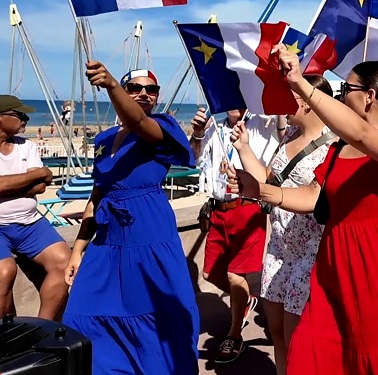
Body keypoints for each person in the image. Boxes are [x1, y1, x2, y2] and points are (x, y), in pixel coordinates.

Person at [229, 50, 378, 375]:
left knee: (376, 353)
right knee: (313, 347)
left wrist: (300, 84)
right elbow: (313, 196)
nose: (342, 95)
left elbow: (362, 134)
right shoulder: (336, 149)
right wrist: (259, 190)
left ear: (370, 96)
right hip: (331, 263)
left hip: (375, 264)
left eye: (347, 89)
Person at [63, 66, 199, 375]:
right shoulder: (104, 139)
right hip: (108, 239)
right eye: (135, 88)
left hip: (149, 234)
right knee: (83, 311)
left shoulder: (161, 126)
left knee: (157, 316)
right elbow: (97, 194)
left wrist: (112, 84)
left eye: (151, 89)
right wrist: (78, 249)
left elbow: (138, 122)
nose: (144, 94)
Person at [231, 75, 335, 375]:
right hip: (279, 249)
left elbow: (314, 197)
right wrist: (244, 148)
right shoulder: (289, 134)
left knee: (296, 338)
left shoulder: (333, 145)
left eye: (289, 98)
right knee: (277, 332)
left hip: (311, 253)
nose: (279, 105)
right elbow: (269, 179)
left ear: (308, 101)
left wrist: (263, 192)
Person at [190, 106, 276, 364]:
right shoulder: (214, 128)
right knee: (210, 273)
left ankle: (235, 333)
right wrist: (197, 135)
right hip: (219, 210)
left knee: (235, 273)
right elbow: (195, 159)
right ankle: (244, 300)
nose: (233, 104)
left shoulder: (262, 124)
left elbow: (281, 136)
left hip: (247, 208)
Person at [0, 95, 70, 319]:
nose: (26, 120)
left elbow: (40, 186)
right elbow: (38, 178)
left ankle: (44, 327)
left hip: (31, 224)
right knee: (4, 273)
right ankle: (8, 332)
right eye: (21, 115)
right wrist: (36, 174)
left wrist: (7, 186)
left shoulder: (27, 146)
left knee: (65, 263)